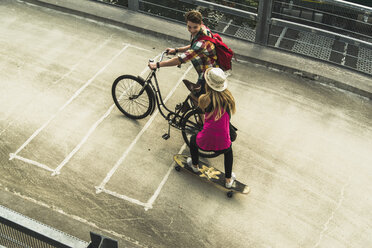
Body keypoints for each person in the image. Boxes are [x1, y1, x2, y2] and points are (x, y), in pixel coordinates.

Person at [148, 10, 218, 98]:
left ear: (201, 23)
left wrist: (157, 65)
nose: (192, 30)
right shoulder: (202, 30)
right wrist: (176, 50)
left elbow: (180, 60)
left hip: (208, 74)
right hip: (208, 68)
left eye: (195, 27)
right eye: (189, 27)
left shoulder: (202, 42)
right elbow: (193, 46)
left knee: (198, 99)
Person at [187, 67, 236, 188]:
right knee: (229, 151)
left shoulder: (204, 99)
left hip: (205, 142)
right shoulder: (229, 99)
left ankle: (195, 166)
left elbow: (202, 113)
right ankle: (228, 180)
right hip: (223, 145)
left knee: (193, 140)